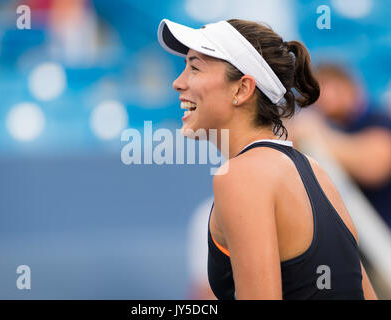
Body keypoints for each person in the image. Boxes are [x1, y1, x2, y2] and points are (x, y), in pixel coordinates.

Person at [157, 18, 377, 299]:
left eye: (194, 68)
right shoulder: (315, 170)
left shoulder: (240, 176)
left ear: (242, 89)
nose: (177, 83)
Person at [287, 64, 391, 228]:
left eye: (329, 87)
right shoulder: (329, 125)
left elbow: (374, 166)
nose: (324, 97)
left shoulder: (378, 120)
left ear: (349, 87)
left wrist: (315, 136)